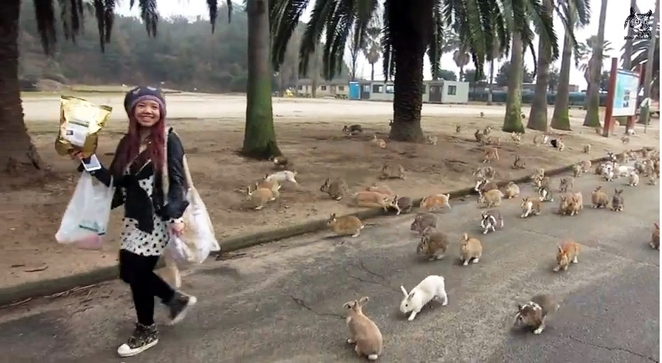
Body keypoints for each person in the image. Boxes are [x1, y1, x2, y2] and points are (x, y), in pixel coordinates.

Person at [72, 86, 196, 357]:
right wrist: (89, 162)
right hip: (134, 217)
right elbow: (116, 180)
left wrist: (175, 215)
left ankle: (147, 328)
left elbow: (178, 183)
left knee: (136, 273)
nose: (147, 111)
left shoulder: (169, 140)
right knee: (130, 272)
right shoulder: (128, 142)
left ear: (161, 110)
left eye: (153, 106)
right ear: (131, 110)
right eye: (141, 106)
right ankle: (173, 299)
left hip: (158, 218)